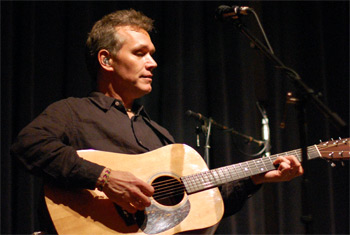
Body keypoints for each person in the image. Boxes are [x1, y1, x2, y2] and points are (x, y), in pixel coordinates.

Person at [11, 9, 303, 234]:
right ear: (106, 60)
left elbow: (201, 202)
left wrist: (255, 177)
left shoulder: (159, 135)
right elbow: (28, 145)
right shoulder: (72, 112)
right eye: (140, 53)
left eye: (152, 54)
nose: (152, 63)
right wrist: (105, 178)